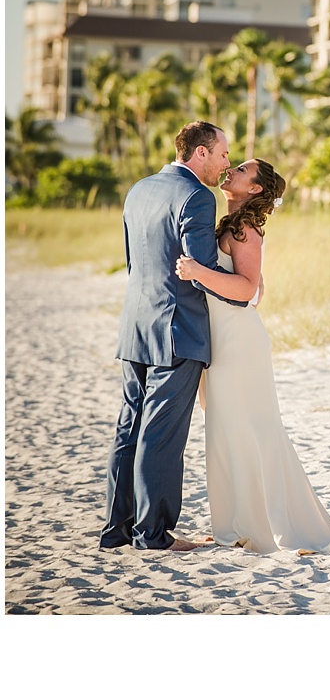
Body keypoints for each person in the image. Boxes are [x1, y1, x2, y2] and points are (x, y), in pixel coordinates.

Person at [176, 158, 330, 555]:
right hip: (221, 340)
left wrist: (197, 272)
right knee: (225, 432)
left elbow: (245, 286)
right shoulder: (229, 225)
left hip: (239, 345)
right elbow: (257, 290)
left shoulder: (245, 229)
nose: (230, 170)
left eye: (241, 170)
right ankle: (235, 525)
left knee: (254, 430)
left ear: (254, 190)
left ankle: (270, 525)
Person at [102, 121, 245, 552]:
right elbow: (200, 269)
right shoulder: (196, 196)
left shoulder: (139, 189)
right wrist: (244, 296)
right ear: (200, 153)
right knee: (161, 435)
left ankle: (117, 531)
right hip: (176, 331)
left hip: (135, 327)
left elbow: (134, 262)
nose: (225, 163)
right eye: (222, 153)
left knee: (129, 429)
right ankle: (154, 534)